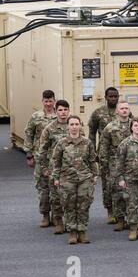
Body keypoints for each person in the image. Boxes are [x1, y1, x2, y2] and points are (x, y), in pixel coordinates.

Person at [52, 116, 98, 245]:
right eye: (71, 124)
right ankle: (72, 231)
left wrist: (95, 175)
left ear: (80, 125)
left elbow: (92, 160)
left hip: (85, 178)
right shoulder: (62, 143)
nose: (74, 127)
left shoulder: (87, 142)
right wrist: (56, 177)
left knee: (84, 204)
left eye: (76, 124)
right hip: (67, 178)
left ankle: (82, 231)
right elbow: (56, 161)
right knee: (69, 204)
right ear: (68, 126)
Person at [23, 90, 57, 227]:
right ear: (42, 101)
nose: (48, 104)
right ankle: (45, 215)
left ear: (54, 101)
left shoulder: (60, 116)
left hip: (56, 159)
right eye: (46, 101)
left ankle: (56, 216)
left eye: (50, 101)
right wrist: (29, 154)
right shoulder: (36, 116)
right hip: (40, 157)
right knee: (43, 188)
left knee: (56, 188)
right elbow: (28, 134)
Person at [39, 100, 72, 235]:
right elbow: (42, 150)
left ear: (68, 110)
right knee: (56, 196)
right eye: (60, 110)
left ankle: (70, 222)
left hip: (72, 168)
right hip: (56, 168)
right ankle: (58, 222)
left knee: (70, 196)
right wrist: (44, 167)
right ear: (56, 111)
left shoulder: (74, 125)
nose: (63, 113)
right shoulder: (50, 128)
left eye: (65, 110)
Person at [98, 100, 132, 231]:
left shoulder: (135, 125)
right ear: (117, 111)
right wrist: (104, 166)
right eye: (122, 108)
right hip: (115, 164)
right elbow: (103, 148)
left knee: (131, 192)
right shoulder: (110, 127)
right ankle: (120, 219)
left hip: (132, 164)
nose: (124, 110)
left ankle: (132, 218)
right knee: (117, 193)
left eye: (126, 108)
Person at [88, 87, 120, 224]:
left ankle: (122, 211)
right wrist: (92, 151)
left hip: (121, 153)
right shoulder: (98, 113)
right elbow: (91, 133)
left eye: (115, 96)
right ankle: (110, 211)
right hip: (105, 153)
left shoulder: (123, 111)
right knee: (107, 184)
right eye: (111, 96)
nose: (113, 99)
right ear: (106, 97)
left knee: (121, 183)